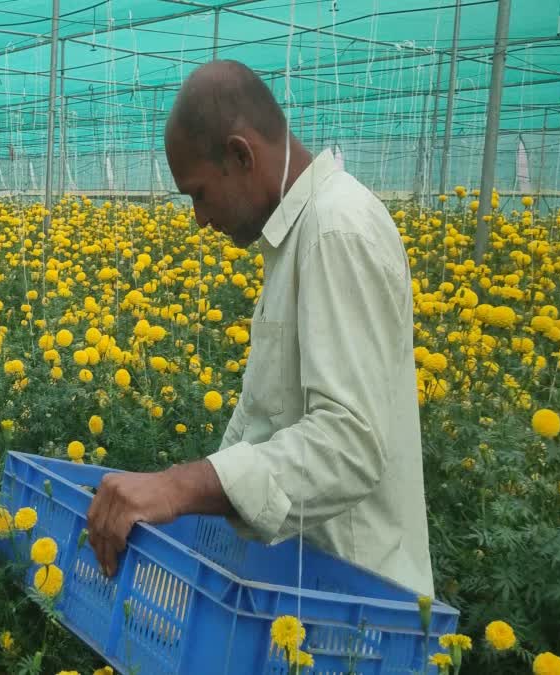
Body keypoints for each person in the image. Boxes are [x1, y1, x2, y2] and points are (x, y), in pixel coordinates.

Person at [86, 60, 435, 596]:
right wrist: (185, 500)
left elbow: (349, 444)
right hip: (300, 582)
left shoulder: (335, 230)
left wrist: (180, 487)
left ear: (240, 155)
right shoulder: (296, 237)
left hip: (353, 605)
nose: (199, 220)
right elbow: (266, 421)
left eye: (198, 193)